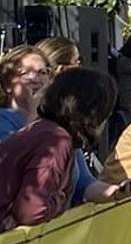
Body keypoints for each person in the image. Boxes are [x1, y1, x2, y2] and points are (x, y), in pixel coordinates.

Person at [0, 46, 123, 205]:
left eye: (42, 72)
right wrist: (32, 115)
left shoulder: (60, 125)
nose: (35, 78)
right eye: (25, 73)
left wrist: (117, 192)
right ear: (8, 84)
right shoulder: (4, 122)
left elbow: (84, 184)